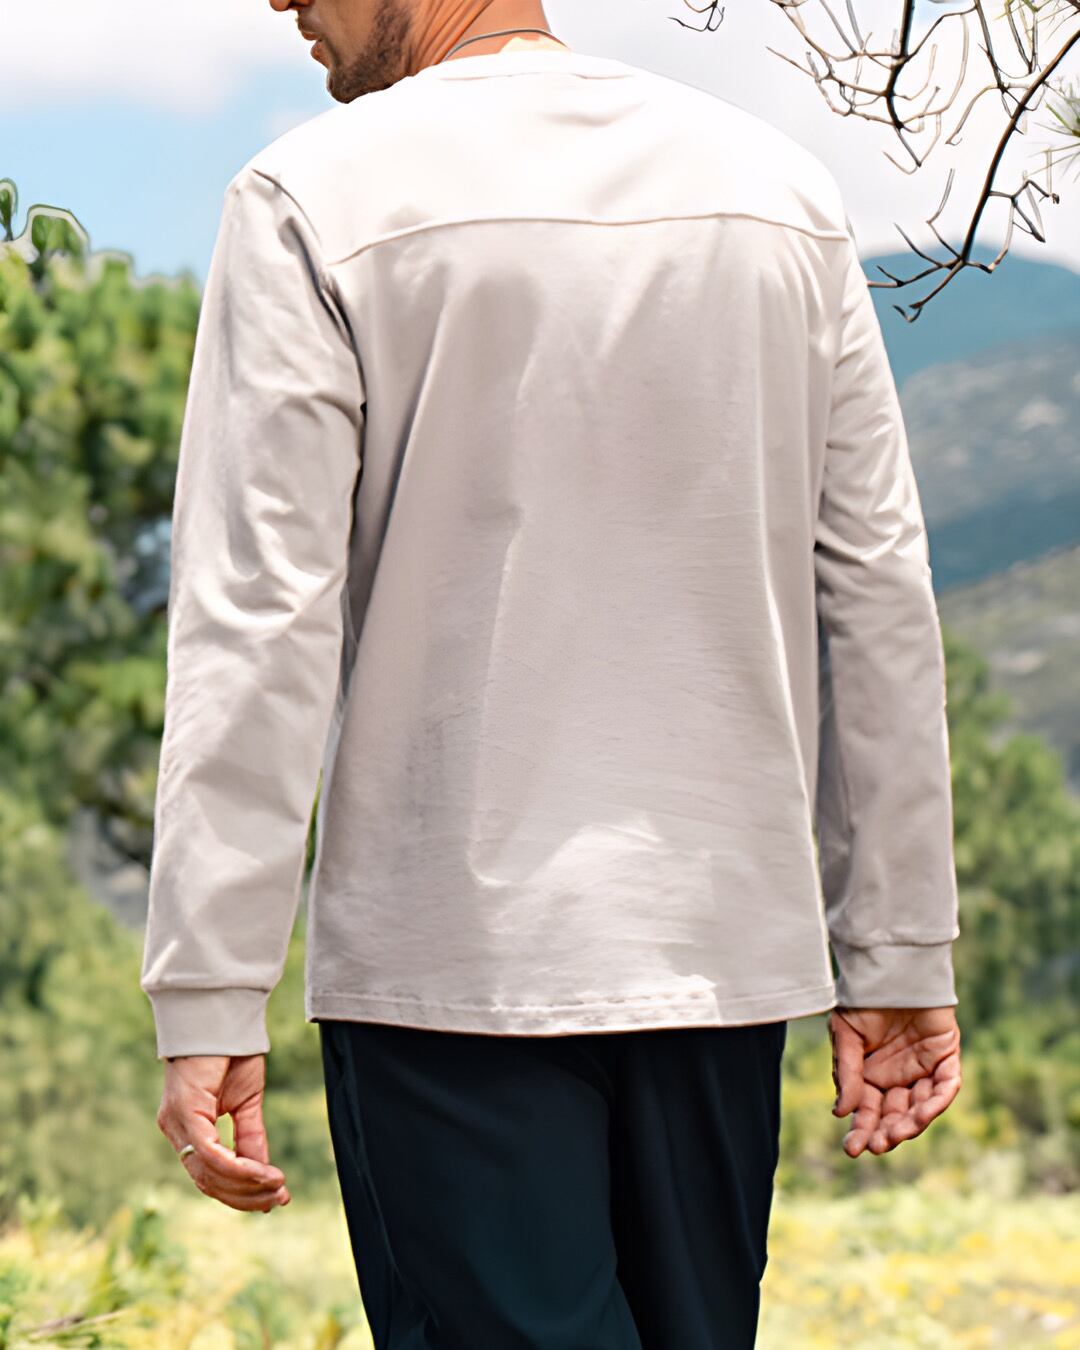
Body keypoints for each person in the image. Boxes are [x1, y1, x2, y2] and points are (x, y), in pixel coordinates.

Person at [144, 1, 964, 1345]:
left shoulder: (313, 196)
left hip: (449, 973)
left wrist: (211, 984)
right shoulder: (780, 194)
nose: (279, 0)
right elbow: (874, 593)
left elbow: (258, 618)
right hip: (720, 966)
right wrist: (896, 944)